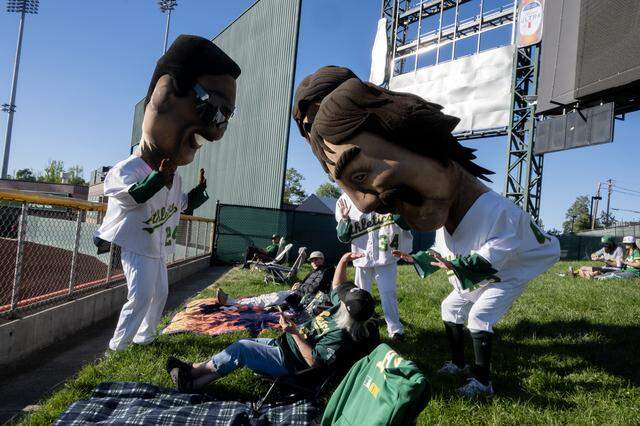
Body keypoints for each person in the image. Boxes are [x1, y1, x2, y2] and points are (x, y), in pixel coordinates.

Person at [304, 76, 560, 397]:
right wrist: (415, 258)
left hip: (503, 276)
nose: (365, 204)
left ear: (422, 145)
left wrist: (451, 266)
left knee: (478, 317)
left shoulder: (497, 211)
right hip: (471, 277)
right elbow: (446, 255)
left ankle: (483, 381)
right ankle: (458, 363)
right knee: (449, 307)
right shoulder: (443, 219)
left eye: (361, 174)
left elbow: (487, 260)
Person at [95, 35, 240, 352]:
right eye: (211, 108)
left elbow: (181, 204)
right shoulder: (127, 168)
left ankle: (145, 337)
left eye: (224, 118)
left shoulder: (172, 175)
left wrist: (198, 192)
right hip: (136, 244)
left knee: (159, 294)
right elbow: (131, 196)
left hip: (157, 244)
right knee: (141, 296)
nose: (216, 127)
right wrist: (158, 179)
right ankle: (117, 348)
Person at [166, 252, 378, 391]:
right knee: (241, 348)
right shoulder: (341, 311)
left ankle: (192, 378)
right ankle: (193, 374)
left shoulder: (340, 337)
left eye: (344, 300)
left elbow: (314, 362)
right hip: (285, 345)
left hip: (291, 363)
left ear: (347, 311)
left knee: (242, 349)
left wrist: (294, 332)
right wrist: (343, 260)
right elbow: (337, 286)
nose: (341, 297)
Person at [335, 193, 413, 340]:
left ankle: (395, 330)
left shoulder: (388, 195)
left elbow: (406, 224)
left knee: (388, 293)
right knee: (359, 296)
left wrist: (396, 208)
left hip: (386, 255)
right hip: (362, 256)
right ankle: (358, 326)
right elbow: (343, 237)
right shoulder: (348, 200)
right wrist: (345, 219)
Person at [217, 250, 335, 308]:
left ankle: (231, 302)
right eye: (312, 260)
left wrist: (299, 289)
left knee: (269, 299)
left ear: (322, 260)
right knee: (266, 297)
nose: (313, 262)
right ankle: (235, 301)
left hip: (301, 298)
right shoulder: (315, 271)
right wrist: (298, 284)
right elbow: (306, 283)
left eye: (316, 259)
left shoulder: (326, 271)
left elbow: (316, 288)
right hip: (296, 293)